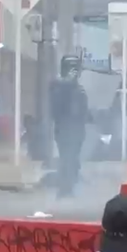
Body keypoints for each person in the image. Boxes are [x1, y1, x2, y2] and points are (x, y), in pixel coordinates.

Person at [49, 55, 91, 197]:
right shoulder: (58, 85)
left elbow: (84, 110)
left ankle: (69, 186)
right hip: (64, 129)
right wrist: (68, 82)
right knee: (66, 158)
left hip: (78, 130)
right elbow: (56, 106)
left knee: (73, 158)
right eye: (72, 69)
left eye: (76, 69)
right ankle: (64, 189)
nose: (75, 73)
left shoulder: (78, 89)